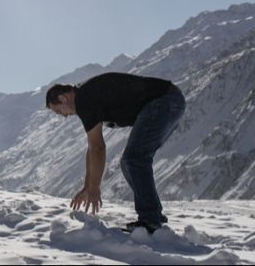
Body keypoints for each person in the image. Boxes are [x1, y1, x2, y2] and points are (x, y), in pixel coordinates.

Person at [46, 72, 186, 233]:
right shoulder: (86, 95)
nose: (64, 116)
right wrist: (87, 185)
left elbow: (98, 148)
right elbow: (92, 148)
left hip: (164, 102)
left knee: (133, 159)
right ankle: (153, 216)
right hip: (170, 101)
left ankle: (150, 220)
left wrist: (95, 187)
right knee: (130, 161)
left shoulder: (84, 99)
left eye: (59, 111)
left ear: (63, 98)